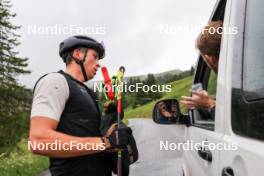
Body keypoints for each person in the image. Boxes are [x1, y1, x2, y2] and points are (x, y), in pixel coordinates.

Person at [29, 35, 131, 176]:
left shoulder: (89, 93)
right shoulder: (55, 81)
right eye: (94, 56)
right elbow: (39, 141)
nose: (98, 64)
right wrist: (105, 143)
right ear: (78, 54)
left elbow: (87, 134)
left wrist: (110, 121)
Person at [181, 21, 223, 113]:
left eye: (204, 57)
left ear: (211, 59)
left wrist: (209, 104)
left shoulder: (233, 84)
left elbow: (238, 118)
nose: (205, 60)